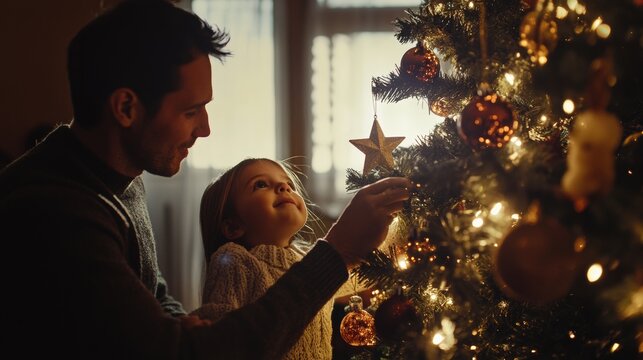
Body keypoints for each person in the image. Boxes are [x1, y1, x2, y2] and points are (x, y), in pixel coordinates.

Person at [0, 1, 411, 359]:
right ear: (126, 107)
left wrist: (180, 323)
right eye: (191, 110)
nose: (206, 129)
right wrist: (338, 252)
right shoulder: (54, 211)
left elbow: (149, 293)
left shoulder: (117, 176)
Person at [193, 158, 361, 359]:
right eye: (261, 184)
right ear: (233, 227)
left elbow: (361, 272)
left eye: (289, 184)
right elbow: (221, 337)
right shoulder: (234, 260)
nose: (284, 186)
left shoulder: (311, 259)